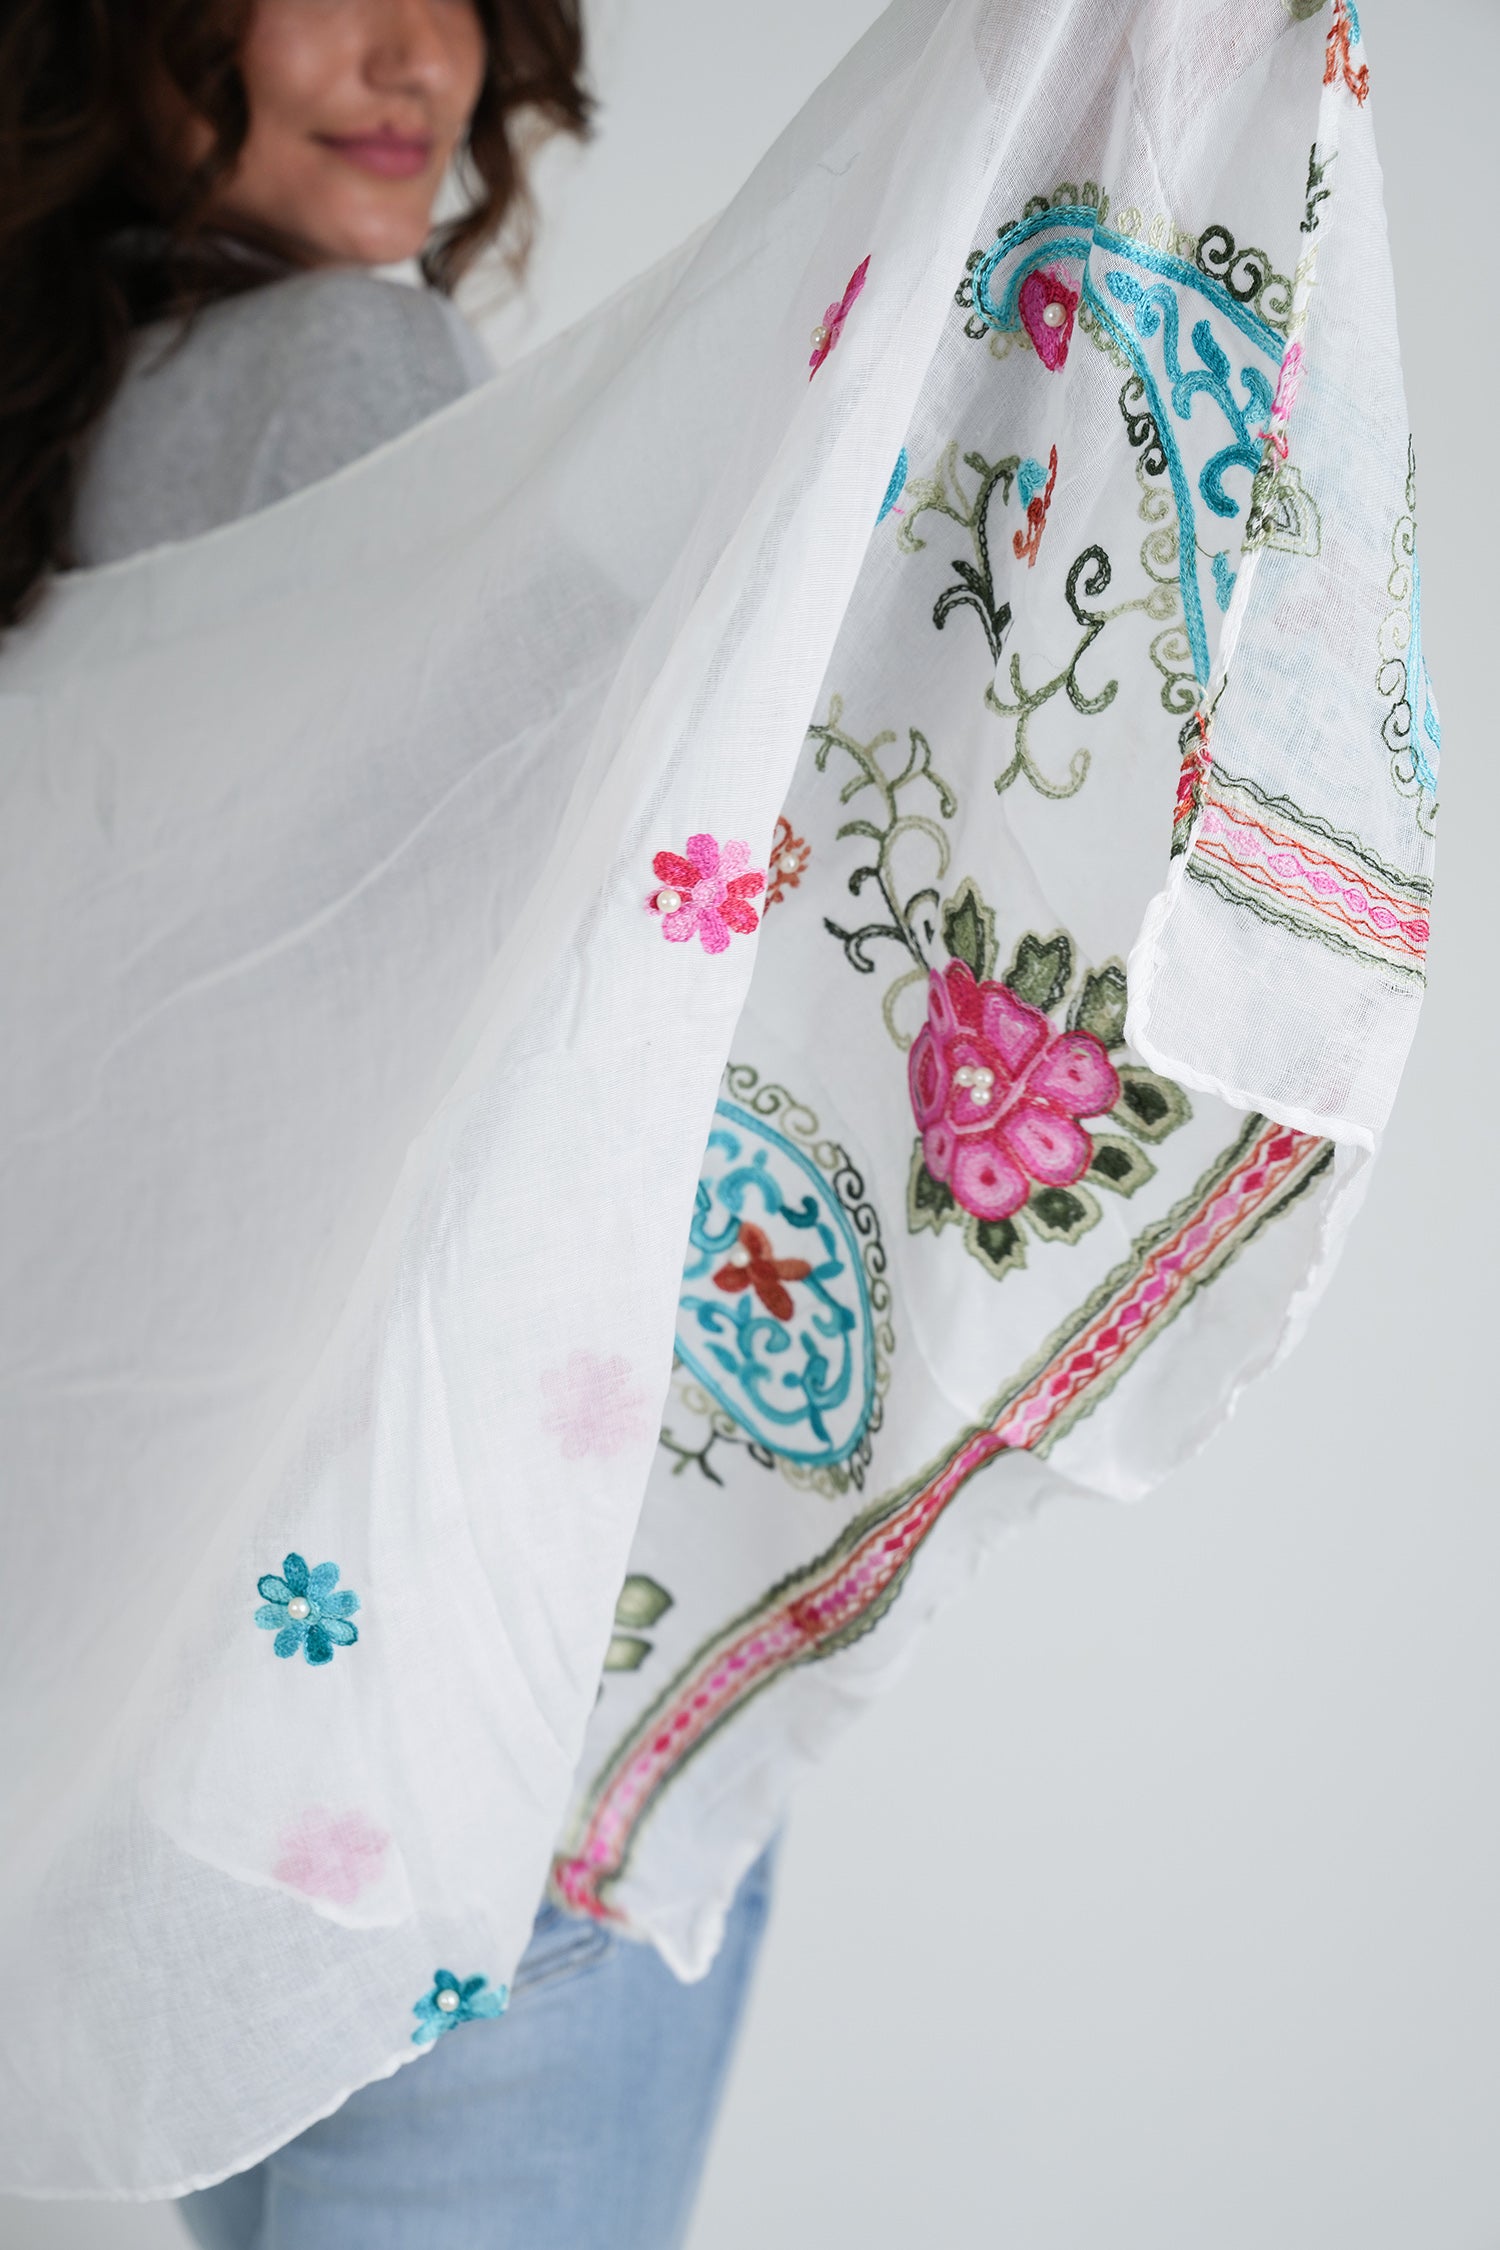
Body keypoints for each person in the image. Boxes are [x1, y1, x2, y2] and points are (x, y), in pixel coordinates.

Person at [0, 4, 775, 2245]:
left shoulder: (67, 452)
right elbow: (592, 951)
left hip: (186, 1743)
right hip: (457, 1704)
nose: (403, 44)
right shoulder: (343, 367)